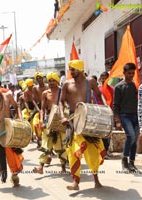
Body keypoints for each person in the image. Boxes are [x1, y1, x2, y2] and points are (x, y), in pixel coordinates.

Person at [59, 60, 107, 190]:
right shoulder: (66, 84)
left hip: (89, 120)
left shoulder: (90, 81)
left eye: (73, 69)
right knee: (73, 151)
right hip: (73, 120)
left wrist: (106, 107)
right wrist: (63, 116)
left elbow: (99, 95)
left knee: (92, 151)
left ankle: (96, 179)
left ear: (80, 69)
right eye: (70, 69)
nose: (71, 72)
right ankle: (76, 182)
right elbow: (61, 102)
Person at [33, 72, 67, 174]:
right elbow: (42, 109)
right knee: (46, 144)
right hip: (48, 120)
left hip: (61, 120)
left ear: (57, 81)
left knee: (61, 145)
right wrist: (41, 120)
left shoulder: (62, 91)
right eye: (49, 81)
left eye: (53, 80)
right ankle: (40, 167)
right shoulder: (45, 93)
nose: (51, 82)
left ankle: (63, 167)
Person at [113, 63, 140, 173]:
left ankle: (132, 162)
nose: (131, 75)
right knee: (131, 136)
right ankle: (124, 159)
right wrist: (117, 121)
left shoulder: (134, 85)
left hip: (135, 116)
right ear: (124, 73)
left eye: (133, 73)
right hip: (124, 116)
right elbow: (115, 105)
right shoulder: (118, 87)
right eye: (129, 73)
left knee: (134, 139)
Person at [32, 72, 49, 148]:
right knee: (36, 124)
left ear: (43, 78)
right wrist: (38, 109)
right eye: (37, 78)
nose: (39, 79)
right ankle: (39, 140)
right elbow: (34, 100)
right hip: (39, 107)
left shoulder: (48, 86)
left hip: (48, 107)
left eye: (40, 78)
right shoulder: (35, 88)